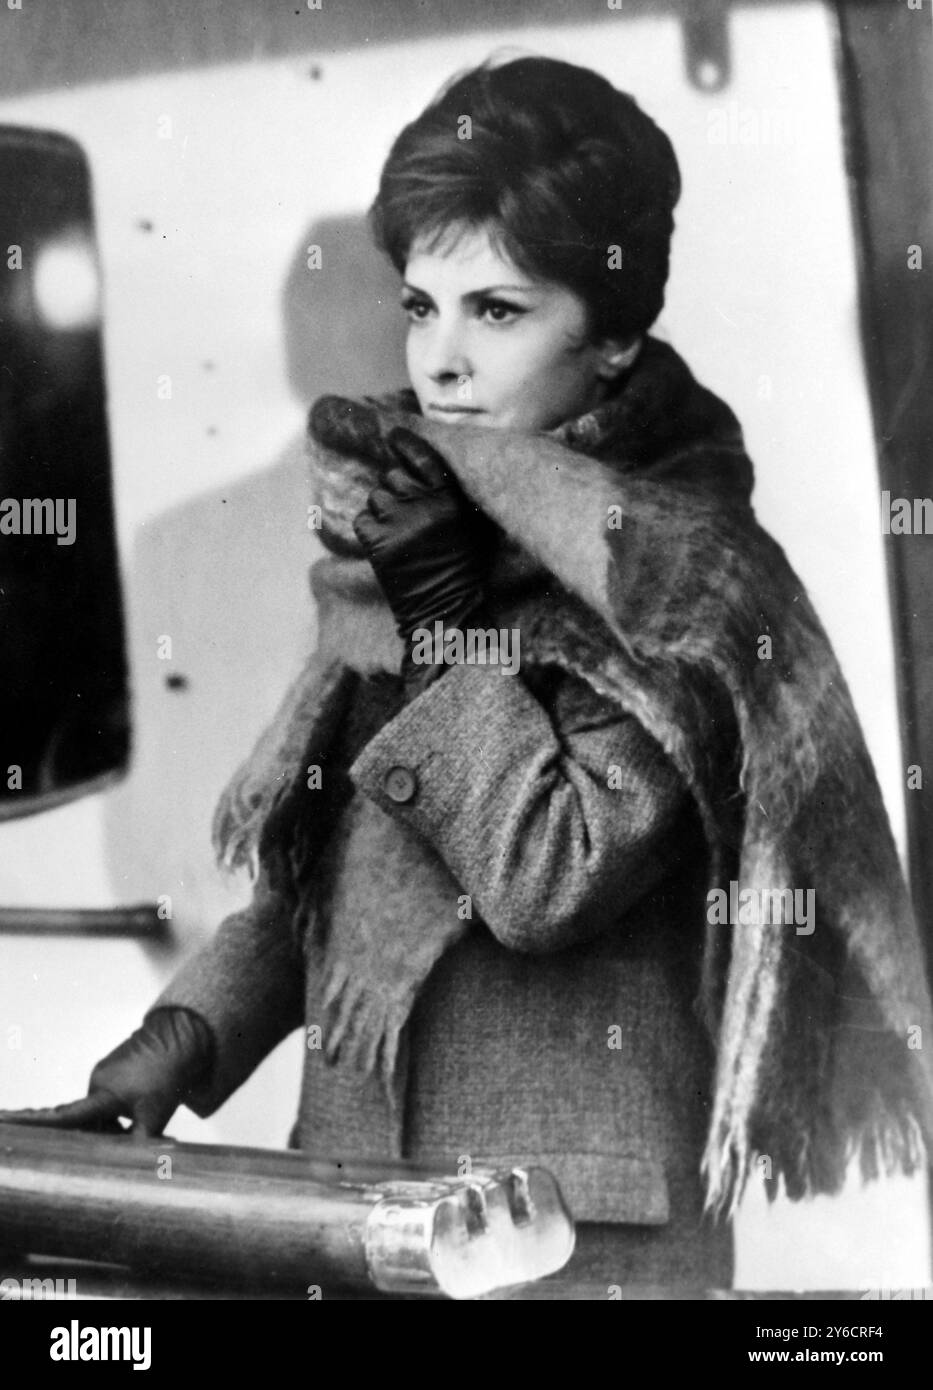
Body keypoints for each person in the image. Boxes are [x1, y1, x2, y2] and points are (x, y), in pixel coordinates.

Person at [4, 56, 933, 1294]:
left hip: (567, 1245)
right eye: (418, 304)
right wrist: (182, 1039)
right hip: (355, 1211)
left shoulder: (681, 579)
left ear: (610, 338)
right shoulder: (411, 531)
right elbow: (324, 877)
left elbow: (553, 873)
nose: (438, 360)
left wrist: (444, 628)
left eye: (495, 310)